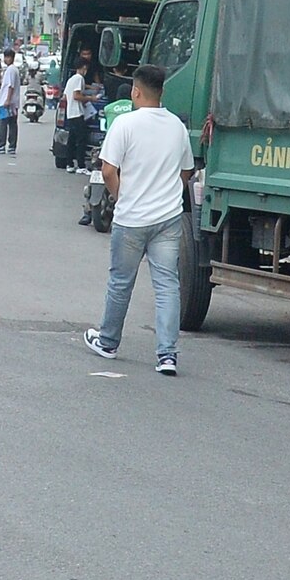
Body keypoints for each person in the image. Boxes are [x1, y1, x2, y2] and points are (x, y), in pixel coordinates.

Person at [84, 64, 196, 374]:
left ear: (135, 91)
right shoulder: (177, 127)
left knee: (121, 282)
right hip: (168, 218)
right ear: (162, 92)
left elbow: (108, 170)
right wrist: (168, 192)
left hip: (132, 218)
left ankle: (107, 341)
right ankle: (167, 356)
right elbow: (187, 171)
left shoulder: (125, 124)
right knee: (167, 286)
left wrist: (121, 195)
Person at [0, 50, 24, 154]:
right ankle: (12, 146)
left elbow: (10, 86)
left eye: (7, 57)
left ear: (11, 58)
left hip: (7, 103)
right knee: (12, 124)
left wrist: (7, 100)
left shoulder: (11, 70)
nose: (5, 59)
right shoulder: (13, 70)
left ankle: (1, 145)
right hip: (13, 103)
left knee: (2, 124)